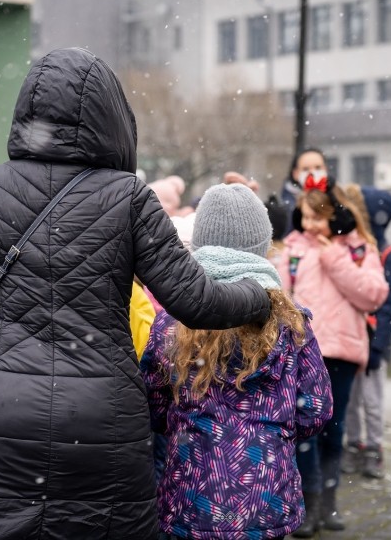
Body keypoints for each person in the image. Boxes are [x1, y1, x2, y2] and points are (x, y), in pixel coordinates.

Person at [0, 47, 271, 540]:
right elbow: (196, 302)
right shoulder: (129, 198)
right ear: (110, 117)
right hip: (98, 417)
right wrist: (259, 297)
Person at [140, 183, 333, 539]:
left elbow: (152, 403)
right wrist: (274, 431)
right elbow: (316, 409)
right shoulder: (292, 323)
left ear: (198, 247)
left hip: (192, 492)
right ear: (263, 247)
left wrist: (189, 426)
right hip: (267, 495)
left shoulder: (171, 322)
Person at [276, 177, 388, 537]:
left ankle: (330, 498)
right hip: (303, 353)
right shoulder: (291, 251)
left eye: (318, 217)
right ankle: (306, 502)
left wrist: (333, 256)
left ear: (334, 216)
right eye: (305, 217)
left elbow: (373, 295)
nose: (310, 225)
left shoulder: (357, 249)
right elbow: (279, 298)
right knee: (303, 426)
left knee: (333, 427)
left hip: (340, 352)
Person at [341, 185, 391, 480]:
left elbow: (390, 308)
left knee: (372, 399)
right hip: (352, 336)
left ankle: (374, 448)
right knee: (351, 399)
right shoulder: (355, 249)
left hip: (374, 341)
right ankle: (354, 444)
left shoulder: (389, 255)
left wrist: (379, 346)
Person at [279, 148, 330, 237]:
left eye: (317, 168)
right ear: (295, 173)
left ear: (325, 170)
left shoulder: (336, 198)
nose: (312, 173)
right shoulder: (286, 207)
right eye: (306, 169)